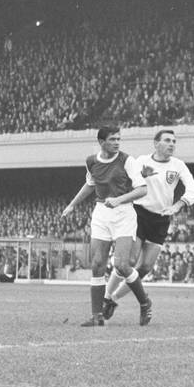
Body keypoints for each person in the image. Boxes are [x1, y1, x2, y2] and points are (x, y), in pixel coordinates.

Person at [102, 129, 194, 321]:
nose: (172, 144)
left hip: (161, 219)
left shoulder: (178, 165)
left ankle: (113, 298)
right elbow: (124, 180)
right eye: (167, 140)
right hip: (138, 214)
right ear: (156, 144)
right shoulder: (141, 162)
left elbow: (193, 189)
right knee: (128, 262)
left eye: (174, 141)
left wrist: (178, 205)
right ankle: (106, 297)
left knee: (146, 267)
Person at [61, 126, 152, 326]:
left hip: (124, 214)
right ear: (102, 142)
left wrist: (119, 200)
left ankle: (145, 303)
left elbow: (142, 189)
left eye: (119, 139)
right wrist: (72, 205)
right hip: (101, 213)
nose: (117, 142)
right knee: (97, 264)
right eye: (112, 139)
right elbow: (91, 184)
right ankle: (97, 317)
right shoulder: (91, 161)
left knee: (121, 265)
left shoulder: (128, 160)